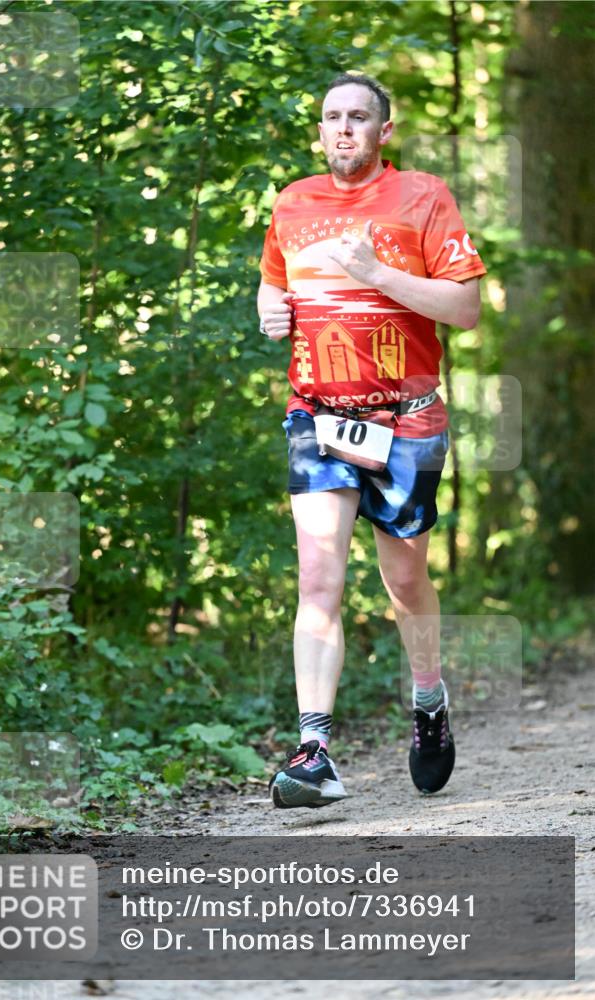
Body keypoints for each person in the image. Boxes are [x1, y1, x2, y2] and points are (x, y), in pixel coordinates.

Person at [258, 73, 486, 808]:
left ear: (384, 131)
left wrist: (376, 273)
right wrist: (268, 308)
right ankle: (314, 751)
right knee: (318, 579)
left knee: (405, 583)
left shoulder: (423, 196)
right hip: (317, 416)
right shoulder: (292, 202)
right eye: (333, 116)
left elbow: (465, 308)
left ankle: (428, 699)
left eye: (359, 116)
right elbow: (273, 282)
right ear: (320, 129)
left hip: (406, 418)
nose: (344, 128)